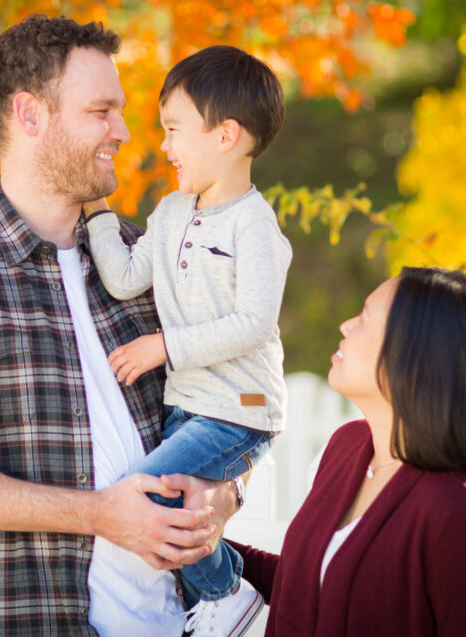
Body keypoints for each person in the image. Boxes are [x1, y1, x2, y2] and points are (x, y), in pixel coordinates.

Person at [0, 14, 242, 636]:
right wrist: (99, 514)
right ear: (29, 115)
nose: (125, 132)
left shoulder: (152, 257)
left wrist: (223, 492)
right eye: (102, 111)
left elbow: (235, 397)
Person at [82, 44, 290, 636]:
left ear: (225, 135)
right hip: (189, 406)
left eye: (174, 130)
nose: (165, 146)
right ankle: (225, 595)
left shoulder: (256, 225)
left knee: (141, 496)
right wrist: (96, 209)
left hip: (239, 412)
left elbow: (253, 321)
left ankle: (229, 594)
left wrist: (164, 347)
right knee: (174, 506)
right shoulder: (172, 211)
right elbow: (124, 278)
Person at [229, 266, 466, 636]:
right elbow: (313, 586)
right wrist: (205, 549)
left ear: (414, 354)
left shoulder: (460, 512)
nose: (345, 325)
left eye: (365, 318)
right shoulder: (348, 447)